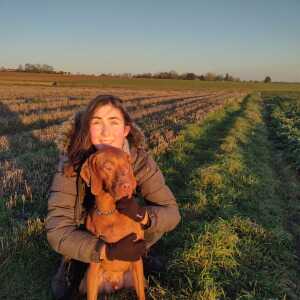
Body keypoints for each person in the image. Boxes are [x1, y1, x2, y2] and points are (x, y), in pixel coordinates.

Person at [45, 94, 181, 299]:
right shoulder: (70, 165)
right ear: (86, 129)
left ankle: (142, 249)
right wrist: (107, 251)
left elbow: (172, 213)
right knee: (64, 289)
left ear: (126, 130)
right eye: (97, 122)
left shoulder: (138, 160)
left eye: (114, 122)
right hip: (86, 234)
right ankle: (72, 262)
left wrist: (142, 215)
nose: (106, 132)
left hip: (126, 228)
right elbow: (57, 231)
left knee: (146, 225)